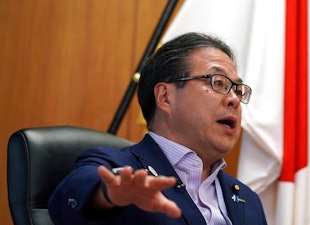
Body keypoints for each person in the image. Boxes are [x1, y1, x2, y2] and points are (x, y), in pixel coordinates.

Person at [48, 32, 268, 225]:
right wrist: (110, 194)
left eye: (238, 90)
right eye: (218, 83)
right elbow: (67, 203)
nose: (234, 100)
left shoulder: (248, 200)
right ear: (165, 97)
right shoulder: (120, 168)